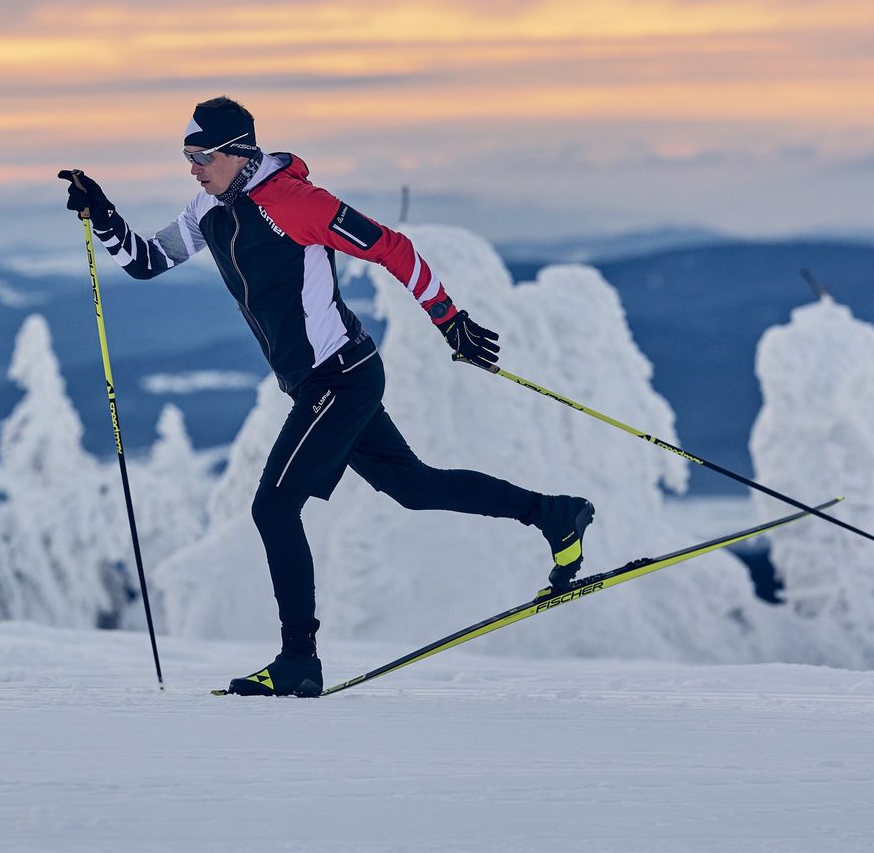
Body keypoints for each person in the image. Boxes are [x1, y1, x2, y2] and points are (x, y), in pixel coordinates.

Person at [61, 96, 594, 697]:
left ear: (239, 151)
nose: (193, 168)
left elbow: (391, 245)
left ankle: (299, 660)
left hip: (339, 377)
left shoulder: (295, 202)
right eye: (187, 156)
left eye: (202, 155)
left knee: (273, 509)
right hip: (327, 381)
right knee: (413, 488)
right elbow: (148, 261)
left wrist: (450, 321)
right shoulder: (209, 207)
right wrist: (102, 212)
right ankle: (554, 514)